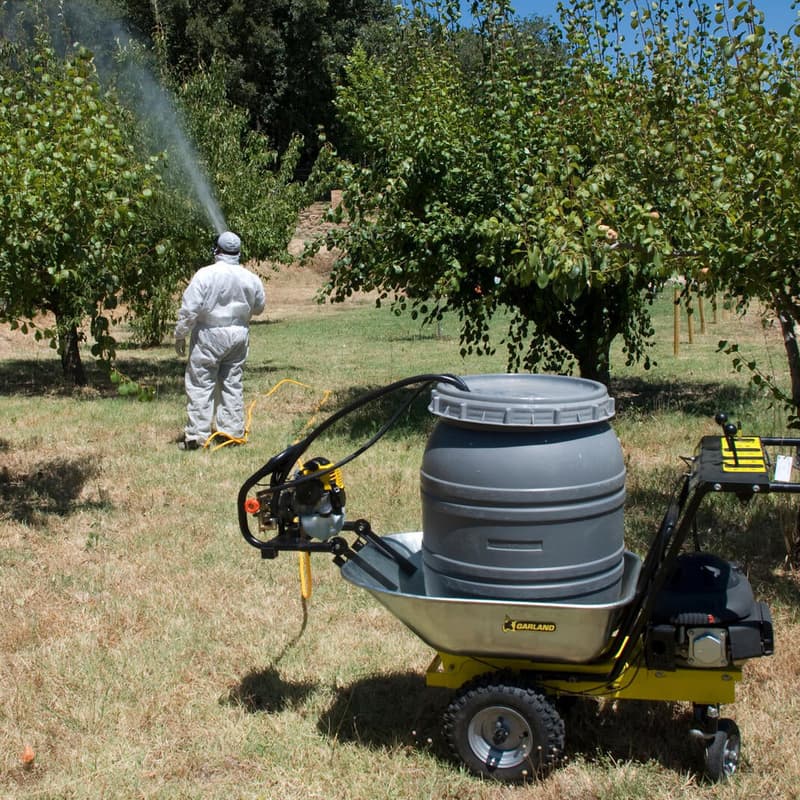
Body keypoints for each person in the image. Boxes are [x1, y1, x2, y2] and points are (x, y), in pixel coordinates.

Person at [174, 231, 265, 450]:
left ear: (216, 250)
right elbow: (260, 307)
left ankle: (196, 436)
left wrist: (180, 333)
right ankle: (232, 433)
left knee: (200, 384)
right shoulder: (250, 277)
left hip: (209, 334)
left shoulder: (205, 274)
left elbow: (190, 309)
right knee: (232, 383)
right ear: (238, 252)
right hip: (239, 335)